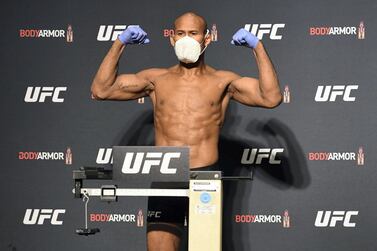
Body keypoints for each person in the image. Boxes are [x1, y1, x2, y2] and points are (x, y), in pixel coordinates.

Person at [91, 11, 282, 251]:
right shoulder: (155, 80)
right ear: (171, 39)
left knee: (205, 247)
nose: (186, 39)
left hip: (205, 176)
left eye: (193, 33)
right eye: (180, 33)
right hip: (166, 175)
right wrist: (120, 43)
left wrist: (258, 47)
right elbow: (101, 90)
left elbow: (271, 97)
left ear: (207, 39)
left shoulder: (223, 82)